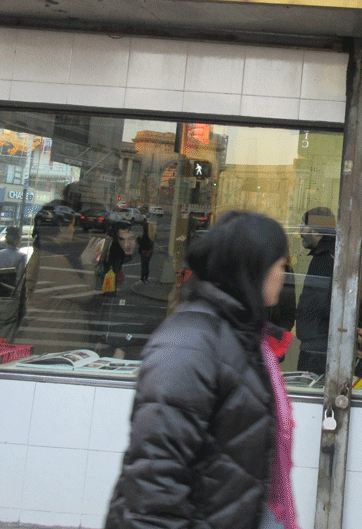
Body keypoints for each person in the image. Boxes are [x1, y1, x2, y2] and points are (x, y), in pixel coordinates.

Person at [105, 210, 299, 529]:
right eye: (279, 265)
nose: (283, 275)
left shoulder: (242, 335)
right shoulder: (191, 343)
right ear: (253, 268)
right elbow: (155, 479)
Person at [295, 206, 337, 374]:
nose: (300, 232)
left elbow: (320, 304)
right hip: (320, 343)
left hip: (317, 349)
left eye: (303, 226)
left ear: (317, 232)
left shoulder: (324, 259)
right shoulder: (334, 255)